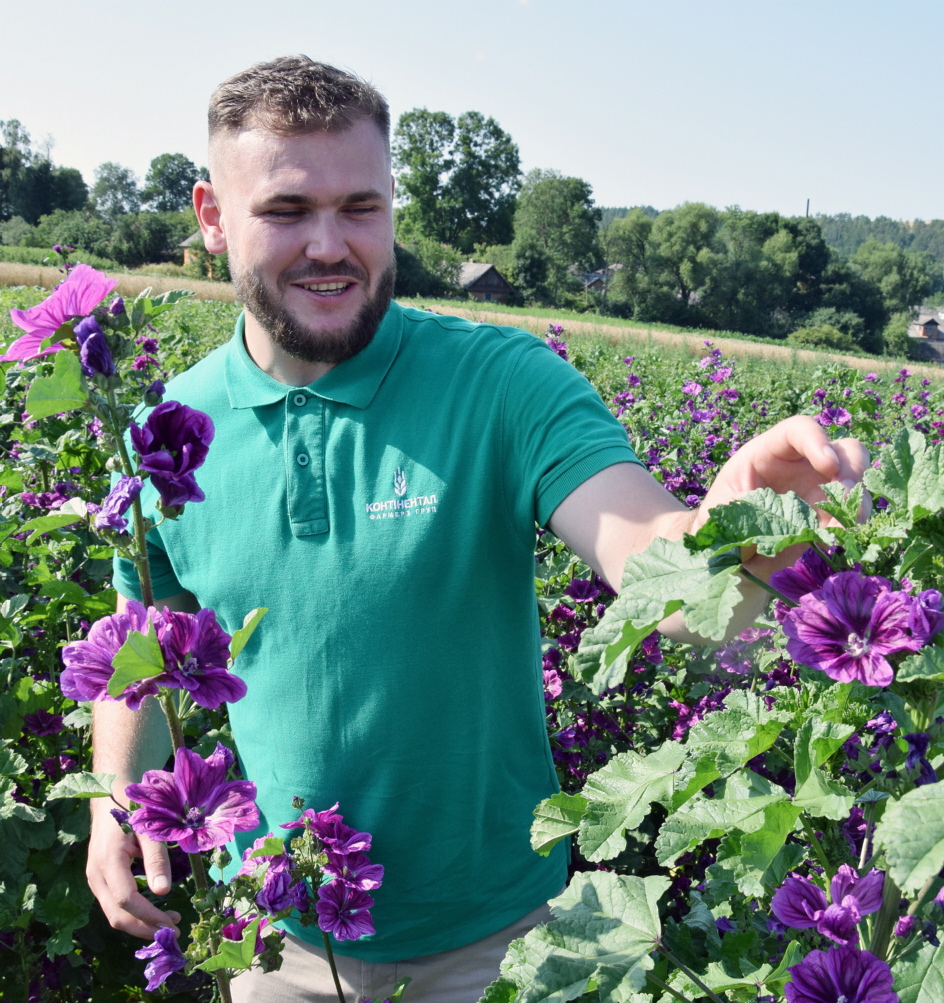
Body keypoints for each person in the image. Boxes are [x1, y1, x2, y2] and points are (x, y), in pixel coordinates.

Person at [85, 56, 868, 1003]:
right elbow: (140, 642)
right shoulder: (165, 434)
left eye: (361, 207)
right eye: (287, 211)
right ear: (212, 218)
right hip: (273, 943)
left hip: (496, 946)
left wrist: (738, 526)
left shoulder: (503, 385)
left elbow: (651, 560)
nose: (329, 244)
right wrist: (113, 803)